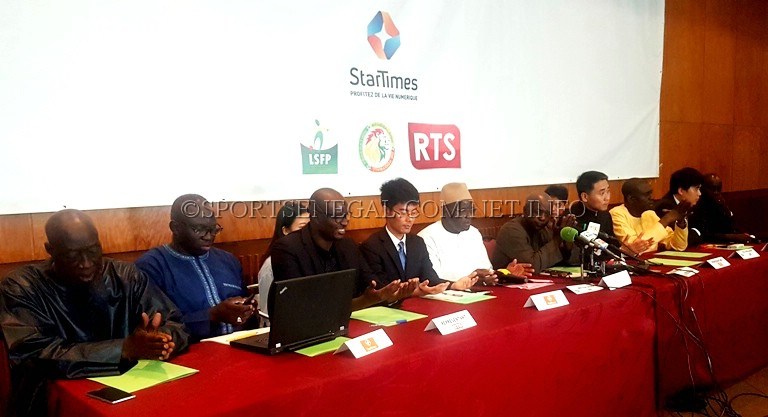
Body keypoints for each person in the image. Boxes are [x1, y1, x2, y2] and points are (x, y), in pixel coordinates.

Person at [0, 209, 189, 417]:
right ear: (50, 250)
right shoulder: (22, 287)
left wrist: (160, 342)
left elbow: (174, 323)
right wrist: (124, 349)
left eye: (93, 251)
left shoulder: (126, 276)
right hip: (51, 403)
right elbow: (34, 354)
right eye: (72, 256)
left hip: (135, 392)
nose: (86, 263)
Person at [136, 194, 254, 341]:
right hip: (187, 351)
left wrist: (248, 309)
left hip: (241, 345)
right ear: (175, 228)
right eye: (199, 229)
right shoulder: (151, 266)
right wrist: (211, 315)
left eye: (213, 229)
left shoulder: (228, 260)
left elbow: (245, 306)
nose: (208, 236)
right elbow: (156, 328)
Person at [271, 188, 407, 312]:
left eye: (346, 215)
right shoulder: (287, 248)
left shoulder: (348, 246)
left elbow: (372, 285)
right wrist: (364, 301)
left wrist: (390, 295)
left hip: (349, 324)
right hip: (306, 328)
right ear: (315, 215)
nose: (344, 222)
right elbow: (302, 307)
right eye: (336, 216)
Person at [360, 178, 476, 298]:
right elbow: (380, 289)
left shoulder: (417, 243)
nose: (409, 219)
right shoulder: (372, 246)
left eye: (413, 212)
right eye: (403, 212)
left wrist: (453, 285)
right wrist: (414, 291)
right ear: (387, 211)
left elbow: (430, 278)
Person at [418, 183, 533, 286]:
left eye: (471, 210)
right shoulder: (426, 237)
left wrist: (504, 273)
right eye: (463, 211)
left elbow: (486, 269)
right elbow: (434, 278)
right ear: (446, 211)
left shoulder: (473, 233)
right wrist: (473, 277)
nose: (469, 215)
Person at [571, 171, 653, 257]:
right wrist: (623, 251)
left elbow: (612, 246)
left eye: (608, 191)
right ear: (585, 197)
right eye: (602, 193)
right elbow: (583, 255)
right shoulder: (574, 219)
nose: (607, 198)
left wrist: (627, 249)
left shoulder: (605, 215)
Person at [492, 194, 577, 273]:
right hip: (505, 281)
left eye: (547, 214)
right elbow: (532, 266)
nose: (542, 217)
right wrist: (558, 239)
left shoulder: (545, 227)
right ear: (525, 211)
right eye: (538, 212)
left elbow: (571, 260)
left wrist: (566, 242)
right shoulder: (511, 230)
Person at [257, 201, 310, 316]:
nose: (308, 233)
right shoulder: (271, 264)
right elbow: (266, 312)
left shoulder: (311, 256)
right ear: (285, 231)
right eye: (302, 228)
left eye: (310, 227)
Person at [610, 178, 689, 252]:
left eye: (651, 193)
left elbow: (678, 246)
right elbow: (636, 248)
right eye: (646, 194)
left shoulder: (649, 214)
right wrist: (666, 219)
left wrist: (680, 223)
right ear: (631, 199)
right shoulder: (616, 214)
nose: (651, 197)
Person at [689, 173, 754, 243]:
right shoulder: (696, 206)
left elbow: (730, 226)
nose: (716, 193)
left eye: (718, 189)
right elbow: (703, 235)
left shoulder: (720, 203)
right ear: (702, 189)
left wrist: (740, 235)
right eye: (713, 189)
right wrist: (731, 237)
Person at [654, 167, 704, 247]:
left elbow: (702, 230)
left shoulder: (693, 204)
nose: (699, 193)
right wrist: (696, 233)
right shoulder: (664, 207)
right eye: (696, 189)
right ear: (681, 191)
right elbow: (680, 238)